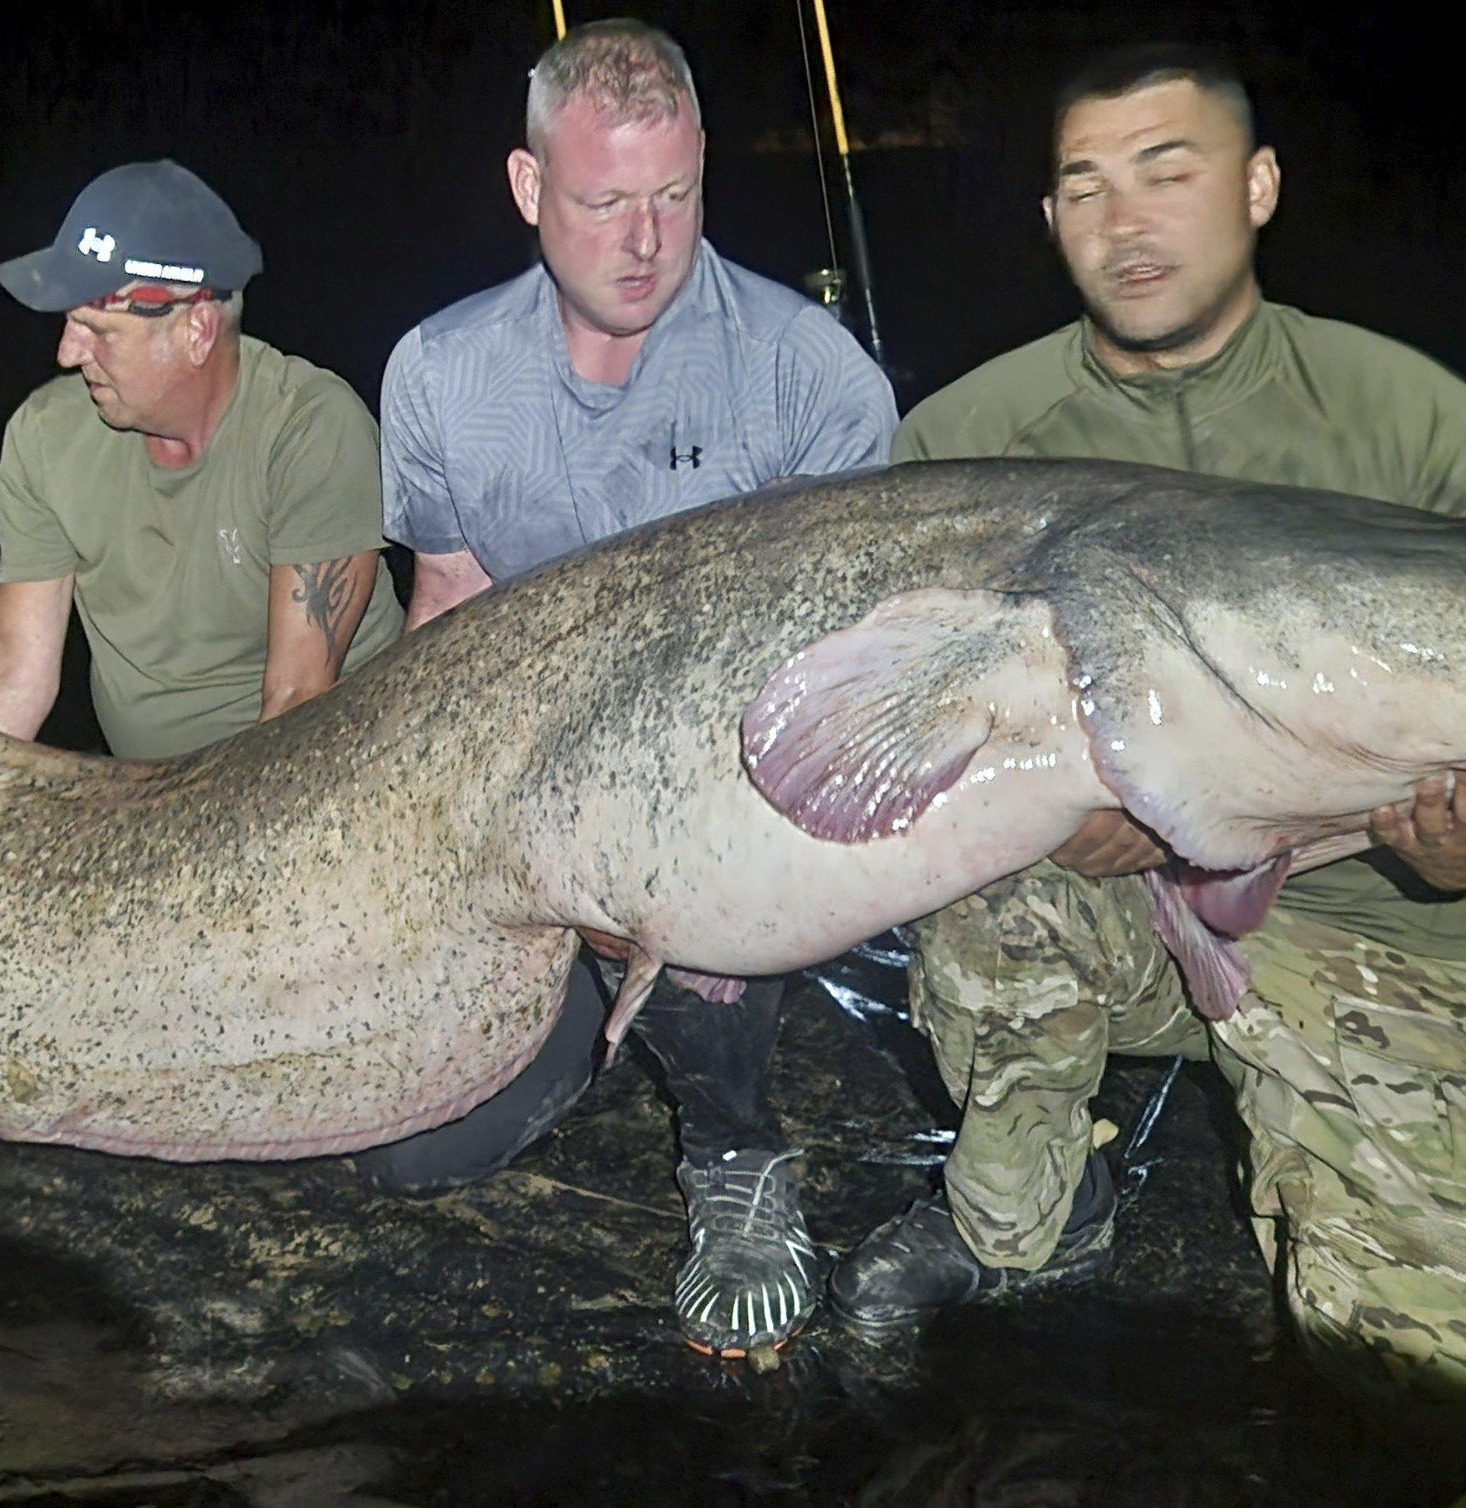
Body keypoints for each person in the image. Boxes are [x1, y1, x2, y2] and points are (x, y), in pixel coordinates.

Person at [828, 44, 1466, 1398]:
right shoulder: (964, 438)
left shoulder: (1409, 419)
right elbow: (897, 724)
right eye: (1084, 188)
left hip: (1364, 922)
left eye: (1166, 174)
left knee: (1403, 1370)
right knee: (982, 886)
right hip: (1101, 899)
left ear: (1258, 184)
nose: (1125, 223)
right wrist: (1074, 801)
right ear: (1049, 221)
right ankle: (1032, 1212)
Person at [376, 18, 897, 1357]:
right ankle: (568, 1027)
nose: (644, 240)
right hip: (532, 814)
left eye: (673, 195)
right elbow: (446, 624)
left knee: (712, 913)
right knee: (410, 1161)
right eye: (605, 200)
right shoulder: (437, 375)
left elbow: (836, 689)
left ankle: (735, 1158)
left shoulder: (808, 377)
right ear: (528, 187)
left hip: (734, 784)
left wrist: (679, 871)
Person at [0, 161, 402, 758]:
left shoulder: (311, 429)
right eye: (68, 325)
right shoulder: (44, 437)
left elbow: (298, 699)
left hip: (336, 761)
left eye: (98, 332)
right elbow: (15, 668)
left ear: (196, 330)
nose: (66, 354)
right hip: (149, 794)